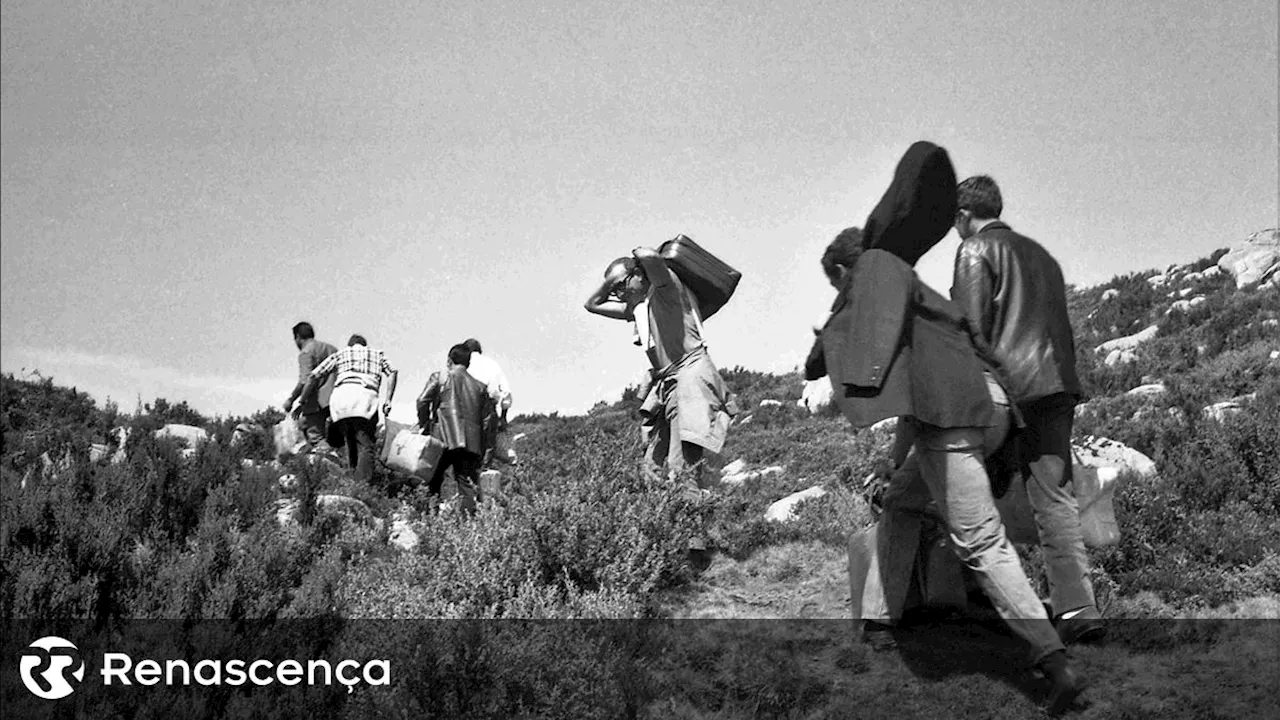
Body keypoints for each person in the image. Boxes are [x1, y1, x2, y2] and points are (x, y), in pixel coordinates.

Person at [807, 229, 1081, 714]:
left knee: (981, 542)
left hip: (950, 421)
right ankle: (878, 622)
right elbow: (978, 355)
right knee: (900, 501)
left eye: (837, 284)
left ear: (847, 273)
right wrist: (896, 465)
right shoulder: (924, 296)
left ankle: (1054, 661)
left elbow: (915, 401)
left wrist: (827, 342)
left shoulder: (879, 310)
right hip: (992, 404)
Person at [953, 175, 1103, 644]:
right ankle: (1078, 609)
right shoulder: (1044, 256)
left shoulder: (974, 251)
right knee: (1055, 501)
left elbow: (971, 332)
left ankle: (978, 598)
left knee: (969, 491)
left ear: (963, 216)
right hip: (1058, 386)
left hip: (1009, 391)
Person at [584, 247, 735, 489]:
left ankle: (692, 516)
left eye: (621, 286)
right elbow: (591, 304)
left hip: (689, 379)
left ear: (640, 275)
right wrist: (616, 282)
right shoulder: (640, 308)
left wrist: (634, 264)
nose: (618, 294)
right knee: (650, 469)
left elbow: (648, 256)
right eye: (614, 291)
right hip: (667, 385)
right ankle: (668, 520)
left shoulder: (666, 289)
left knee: (681, 469)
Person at [295, 334, 397, 484]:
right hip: (365, 400)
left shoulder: (340, 354)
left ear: (350, 346)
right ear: (364, 345)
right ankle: (362, 485)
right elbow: (393, 372)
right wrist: (388, 400)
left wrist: (301, 401)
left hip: (341, 402)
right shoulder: (377, 354)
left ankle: (350, 478)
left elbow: (313, 376)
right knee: (365, 444)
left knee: (349, 441)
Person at [416, 344, 496, 516]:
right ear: (468, 363)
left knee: (433, 479)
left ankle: (429, 521)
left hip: (442, 437)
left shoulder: (439, 377)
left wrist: (424, 424)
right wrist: (485, 450)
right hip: (470, 441)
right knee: (466, 484)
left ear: (449, 360)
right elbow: (487, 421)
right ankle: (466, 525)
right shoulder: (480, 387)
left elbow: (422, 401)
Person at [283, 322, 338, 454]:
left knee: (316, 437)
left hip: (316, 402)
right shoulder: (332, 349)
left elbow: (305, 380)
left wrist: (291, 400)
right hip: (336, 400)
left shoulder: (306, 352)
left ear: (297, 337)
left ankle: (322, 468)